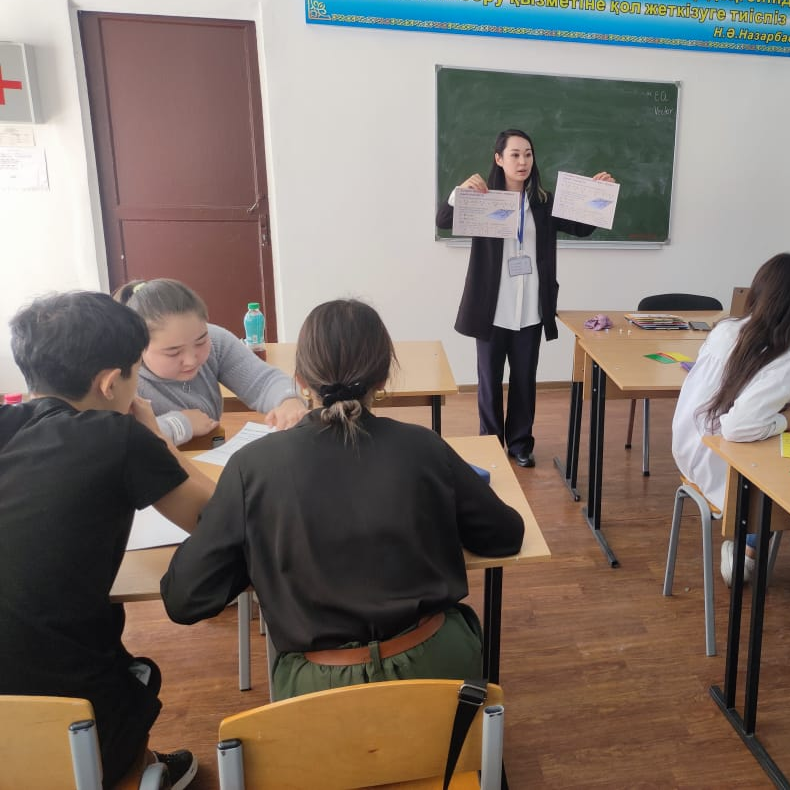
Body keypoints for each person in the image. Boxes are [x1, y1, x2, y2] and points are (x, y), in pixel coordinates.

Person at [161, 299, 525, 701]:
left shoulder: (252, 467)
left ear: (300, 381)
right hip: (440, 674)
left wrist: (256, 554)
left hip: (319, 693)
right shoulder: (424, 447)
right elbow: (505, 536)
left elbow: (185, 599)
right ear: (383, 378)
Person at [0, 292, 215, 789]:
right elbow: (219, 522)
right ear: (110, 382)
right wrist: (155, 437)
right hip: (67, 717)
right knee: (134, 678)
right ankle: (134, 771)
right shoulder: (117, 437)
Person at [436, 129, 614, 468]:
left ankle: (520, 443)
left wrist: (598, 194)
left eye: (528, 154)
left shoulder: (544, 203)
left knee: (524, 380)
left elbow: (582, 227)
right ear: (499, 159)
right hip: (491, 308)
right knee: (489, 382)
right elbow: (443, 220)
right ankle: (490, 444)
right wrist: (460, 192)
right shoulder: (483, 200)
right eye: (515, 155)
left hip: (530, 308)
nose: (523, 161)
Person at [671, 253, 790, 587]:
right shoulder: (788, 365)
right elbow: (739, 426)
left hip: (689, 445)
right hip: (725, 468)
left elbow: (770, 402)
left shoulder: (726, 329)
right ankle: (754, 546)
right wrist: (789, 420)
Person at [114, 278, 307, 445]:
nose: (191, 360)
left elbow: (263, 381)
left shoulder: (215, 341)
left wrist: (288, 400)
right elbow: (120, 441)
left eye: (200, 342)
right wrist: (181, 424)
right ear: (138, 346)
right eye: (173, 352)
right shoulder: (121, 375)